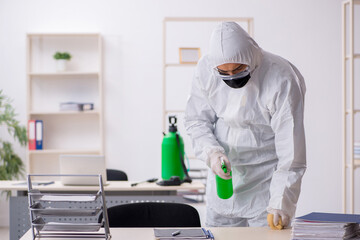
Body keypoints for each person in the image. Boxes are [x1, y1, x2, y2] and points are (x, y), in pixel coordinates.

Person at [184, 22, 306, 228]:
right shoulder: (205, 70)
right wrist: (212, 153)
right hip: (223, 184)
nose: (232, 77)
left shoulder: (281, 77)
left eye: (239, 69)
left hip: (265, 188)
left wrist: (280, 202)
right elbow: (197, 120)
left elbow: (291, 151)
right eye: (224, 72)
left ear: (252, 56)